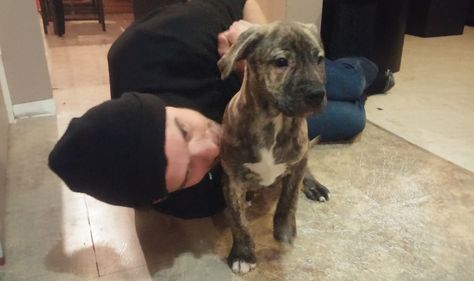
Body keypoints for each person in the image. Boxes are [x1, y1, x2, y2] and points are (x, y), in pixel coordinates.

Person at [49, 0, 394, 219]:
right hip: (261, 114)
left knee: (346, 84)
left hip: (272, 69)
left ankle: (370, 73)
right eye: (190, 172)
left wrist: (252, 35)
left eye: (185, 131)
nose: (212, 147)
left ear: (159, 107)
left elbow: (246, 2)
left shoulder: (166, 38)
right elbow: (247, 182)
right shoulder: (187, 202)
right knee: (351, 118)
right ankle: (362, 93)